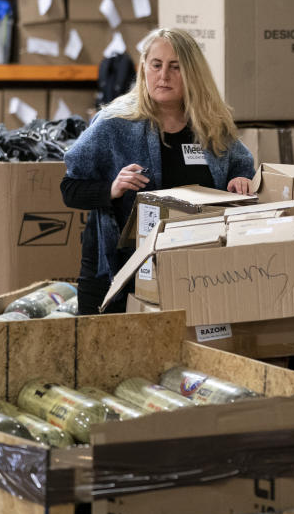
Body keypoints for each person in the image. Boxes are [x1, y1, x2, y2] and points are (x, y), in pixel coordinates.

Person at [62, 27, 255, 314]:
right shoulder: (114, 123)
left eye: (175, 67)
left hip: (192, 270)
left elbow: (240, 163)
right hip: (117, 274)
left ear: (192, 73)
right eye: (156, 65)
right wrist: (111, 189)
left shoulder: (211, 124)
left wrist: (241, 177)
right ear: (144, 69)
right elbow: (70, 188)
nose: (163, 76)